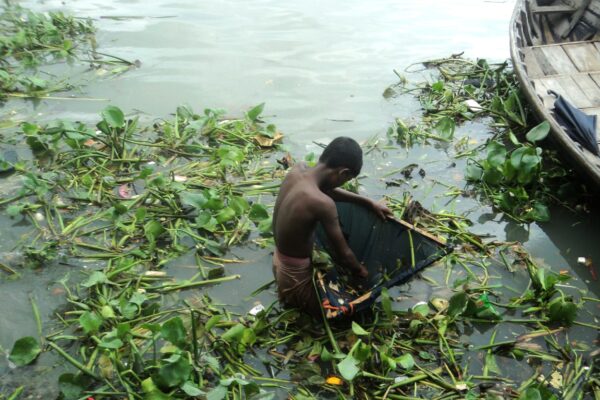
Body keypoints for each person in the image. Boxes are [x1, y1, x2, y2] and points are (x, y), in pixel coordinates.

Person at [272, 136, 393, 316]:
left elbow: (326, 189)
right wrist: (363, 274)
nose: (343, 184)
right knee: (354, 315)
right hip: (294, 278)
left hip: (278, 262)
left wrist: (368, 202)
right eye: (346, 179)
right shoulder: (322, 204)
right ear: (343, 173)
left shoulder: (298, 170)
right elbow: (344, 256)